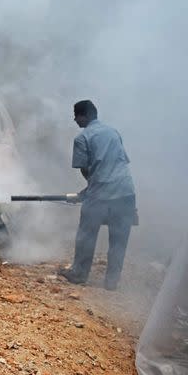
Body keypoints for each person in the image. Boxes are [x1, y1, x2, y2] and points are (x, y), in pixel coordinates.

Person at [59, 100, 137, 291]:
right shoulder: (113, 132)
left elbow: (86, 170)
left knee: (87, 233)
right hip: (126, 192)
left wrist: (88, 191)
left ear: (83, 116)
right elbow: (120, 163)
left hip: (100, 194)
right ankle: (111, 282)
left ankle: (79, 274)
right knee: (119, 239)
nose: (75, 119)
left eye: (76, 115)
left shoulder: (82, 138)